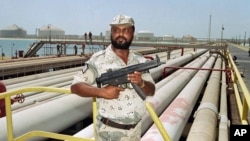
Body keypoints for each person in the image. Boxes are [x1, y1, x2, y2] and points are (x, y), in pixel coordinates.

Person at [71, 14, 155, 141]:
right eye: (116, 30)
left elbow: (151, 90)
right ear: (111, 32)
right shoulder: (98, 60)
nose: (120, 34)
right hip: (109, 133)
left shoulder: (140, 60)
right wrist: (101, 92)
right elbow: (75, 86)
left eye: (125, 30)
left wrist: (142, 83)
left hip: (135, 132)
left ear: (132, 33)